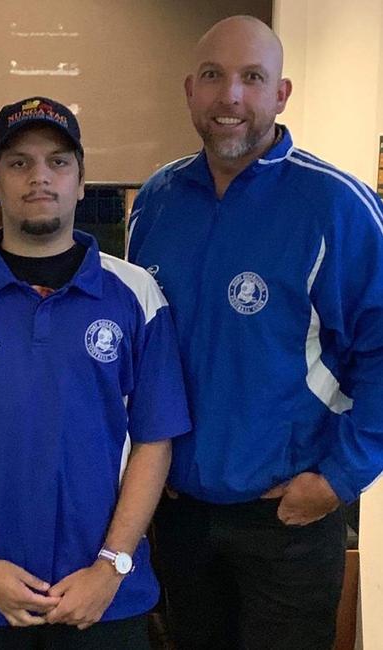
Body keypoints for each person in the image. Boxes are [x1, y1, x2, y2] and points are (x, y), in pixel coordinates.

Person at [0, 96, 190, 649]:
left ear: (80, 180)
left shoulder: (138, 296)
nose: (39, 177)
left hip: (104, 595)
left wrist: (110, 566)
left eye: (58, 162)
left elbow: (155, 441)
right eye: (19, 163)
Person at [127, 15, 383, 650]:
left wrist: (339, 478)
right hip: (179, 513)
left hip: (287, 517)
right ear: (190, 90)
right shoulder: (156, 202)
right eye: (213, 77)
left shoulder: (338, 206)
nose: (230, 97)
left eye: (252, 78)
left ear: (282, 93)